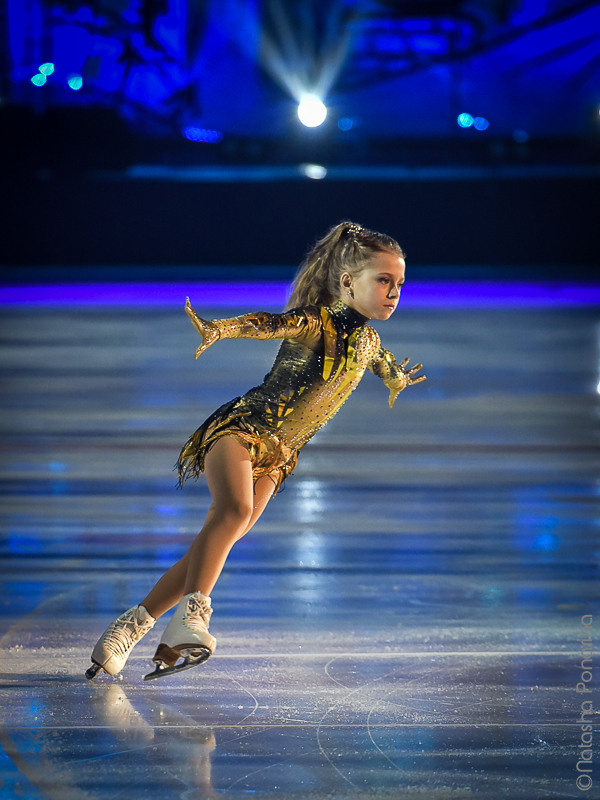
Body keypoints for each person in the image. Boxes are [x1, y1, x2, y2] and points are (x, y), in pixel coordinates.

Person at [85, 221, 426, 681]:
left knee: (218, 540)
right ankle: (192, 619)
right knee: (234, 512)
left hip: (280, 455)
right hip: (242, 431)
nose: (394, 292)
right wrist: (220, 329)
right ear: (347, 282)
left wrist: (397, 379)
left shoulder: (368, 341)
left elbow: (382, 365)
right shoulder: (315, 322)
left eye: (400, 283)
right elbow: (267, 323)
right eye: (384, 280)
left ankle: (131, 629)